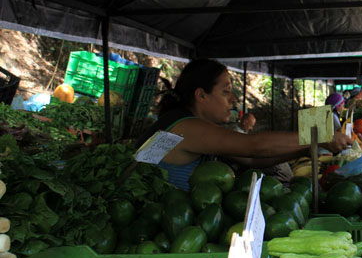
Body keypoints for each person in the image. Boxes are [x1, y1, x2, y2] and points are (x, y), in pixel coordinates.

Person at [135, 59, 350, 191]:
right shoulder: (184, 127)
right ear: (201, 95)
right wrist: (319, 136)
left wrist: (310, 147)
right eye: (226, 91)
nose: (234, 100)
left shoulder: (194, 125)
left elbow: (251, 159)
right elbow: (253, 146)